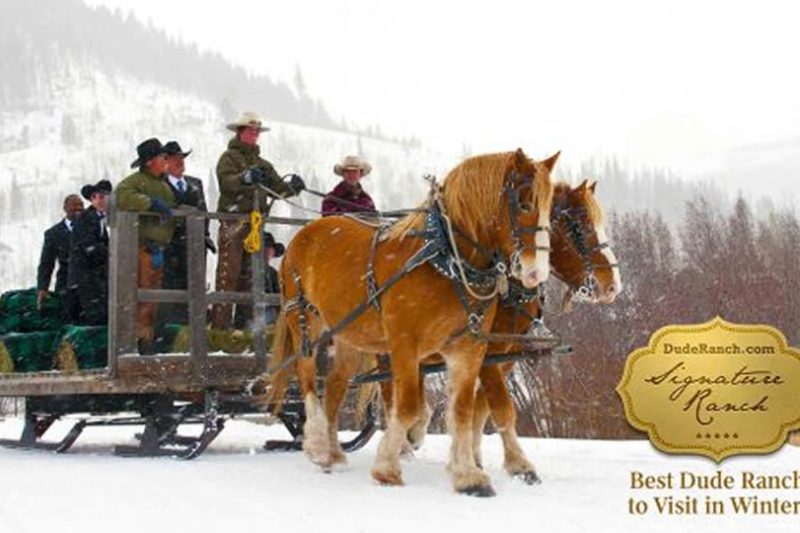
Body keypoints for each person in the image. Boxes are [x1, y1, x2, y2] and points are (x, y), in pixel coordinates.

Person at [210, 111, 305, 330]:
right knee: (229, 275)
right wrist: (244, 178)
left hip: (254, 225)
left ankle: (245, 328)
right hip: (233, 222)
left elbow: (277, 188)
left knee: (252, 276)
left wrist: (293, 188)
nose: (254, 135)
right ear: (240, 132)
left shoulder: (262, 164)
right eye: (251, 131)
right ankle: (220, 329)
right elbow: (227, 183)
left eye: (256, 131)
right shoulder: (228, 159)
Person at [115, 138, 176, 353]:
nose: (166, 161)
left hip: (158, 248)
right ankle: (137, 343)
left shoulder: (163, 185)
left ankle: (147, 340)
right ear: (150, 161)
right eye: (162, 157)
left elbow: (172, 208)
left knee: (152, 300)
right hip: (143, 249)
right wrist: (150, 204)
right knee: (142, 297)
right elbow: (121, 196)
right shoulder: (136, 181)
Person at [160, 140, 215, 325]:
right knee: (172, 291)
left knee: (195, 288)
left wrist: (203, 236)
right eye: (175, 158)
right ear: (165, 162)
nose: (180, 162)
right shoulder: (160, 185)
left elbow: (204, 213)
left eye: (181, 158)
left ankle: (194, 326)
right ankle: (173, 330)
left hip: (196, 246)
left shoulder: (195, 183)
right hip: (171, 248)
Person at [67, 180, 112, 325]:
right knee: (96, 316)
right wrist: (112, 252)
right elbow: (89, 247)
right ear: (91, 200)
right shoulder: (86, 219)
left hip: (96, 277)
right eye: (96, 197)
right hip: (86, 278)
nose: (100, 200)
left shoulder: (101, 220)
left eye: (103, 197)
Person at [37, 194, 84, 319]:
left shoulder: (91, 229)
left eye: (81, 205)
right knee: (67, 320)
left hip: (89, 286)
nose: (78, 208)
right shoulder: (53, 234)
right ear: (65, 208)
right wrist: (42, 288)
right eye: (74, 205)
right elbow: (46, 263)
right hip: (66, 285)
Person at [234, 230, 284, 329]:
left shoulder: (272, 273)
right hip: (253, 320)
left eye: (270, 250)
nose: (269, 253)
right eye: (267, 249)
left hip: (262, 319)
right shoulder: (247, 270)